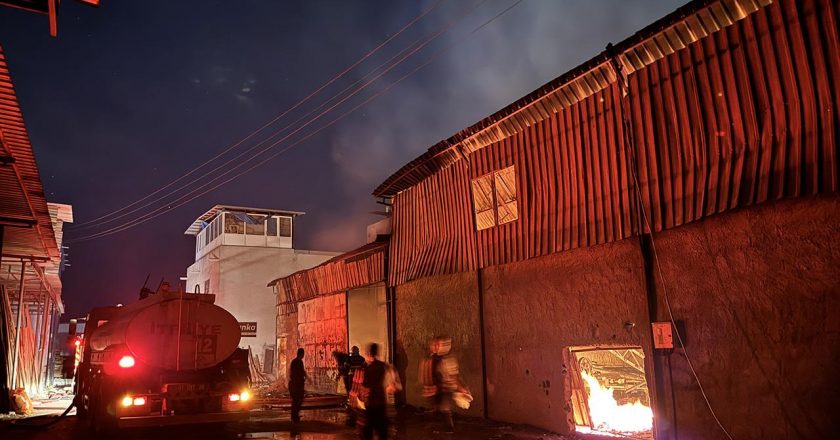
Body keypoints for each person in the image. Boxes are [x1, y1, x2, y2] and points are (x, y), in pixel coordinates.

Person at [361, 343, 389, 440]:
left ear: (369, 353)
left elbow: (365, 385)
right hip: (381, 399)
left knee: (369, 426)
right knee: (382, 427)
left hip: (371, 401)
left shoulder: (368, 369)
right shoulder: (383, 366)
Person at [289, 348, 307, 423]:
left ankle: (294, 415)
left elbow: (292, 373)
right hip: (297, 384)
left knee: (295, 400)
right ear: (302, 354)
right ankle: (295, 416)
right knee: (298, 399)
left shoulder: (294, 361)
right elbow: (301, 372)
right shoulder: (299, 362)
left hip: (294, 384)